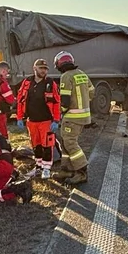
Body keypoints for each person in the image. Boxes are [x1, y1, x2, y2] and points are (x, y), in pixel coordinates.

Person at [54, 50, 95, 186]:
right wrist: (83, 103)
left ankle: (82, 172)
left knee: (70, 143)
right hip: (83, 117)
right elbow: (92, 92)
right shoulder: (82, 74)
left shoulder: (66, 76)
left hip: (72, 117)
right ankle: (66, 170)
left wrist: (59, 113)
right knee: (66, 142)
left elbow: (65, 102)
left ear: (59, 64)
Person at [16, 58, 60, 180]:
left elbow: (56, 102)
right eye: (41, 68)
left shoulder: (50, 83)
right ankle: (39, 166)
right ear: (34, 68)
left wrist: (56, 120)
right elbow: (20, 100)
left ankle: (46, 168)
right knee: (36, 145)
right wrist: (19, 117)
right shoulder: (27, 82)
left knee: (47, 145)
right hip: (32, 121)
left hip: (46, 120)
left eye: (45, 69)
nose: (43, 71)